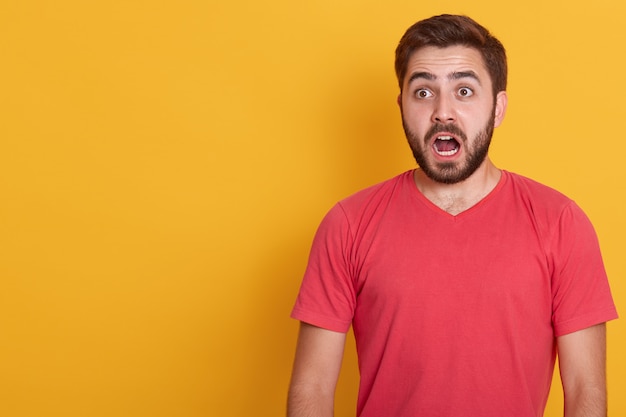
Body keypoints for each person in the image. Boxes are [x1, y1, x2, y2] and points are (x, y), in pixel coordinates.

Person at [287, 14, 618, 417]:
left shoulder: (562, 223)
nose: (443, 112)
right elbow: (313, 387)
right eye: (423, 92)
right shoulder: (347, 224)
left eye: (464, 90)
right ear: (402, 106)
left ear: (497, 107)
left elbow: (586, 390)